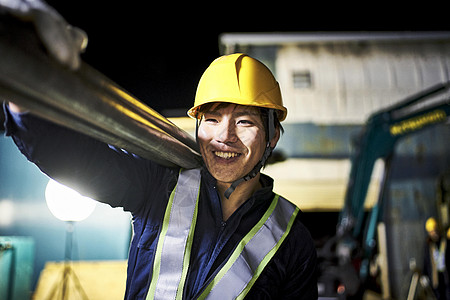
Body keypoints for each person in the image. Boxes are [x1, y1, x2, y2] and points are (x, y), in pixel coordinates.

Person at [2, 5, 317, 297]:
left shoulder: (292, 240)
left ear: (272, 134)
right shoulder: (160, 186)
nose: (225, 136)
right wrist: (24, 99)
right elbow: (77, 161)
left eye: (245, 121)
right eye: (212, 119)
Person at [423, 217, 450, 299]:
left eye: (435, 230)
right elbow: (426, 261)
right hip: (435, 278)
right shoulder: (428, 245)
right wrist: (425, 275)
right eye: (431, 231)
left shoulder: (445, 242)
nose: (434, 233)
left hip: (446, 276)